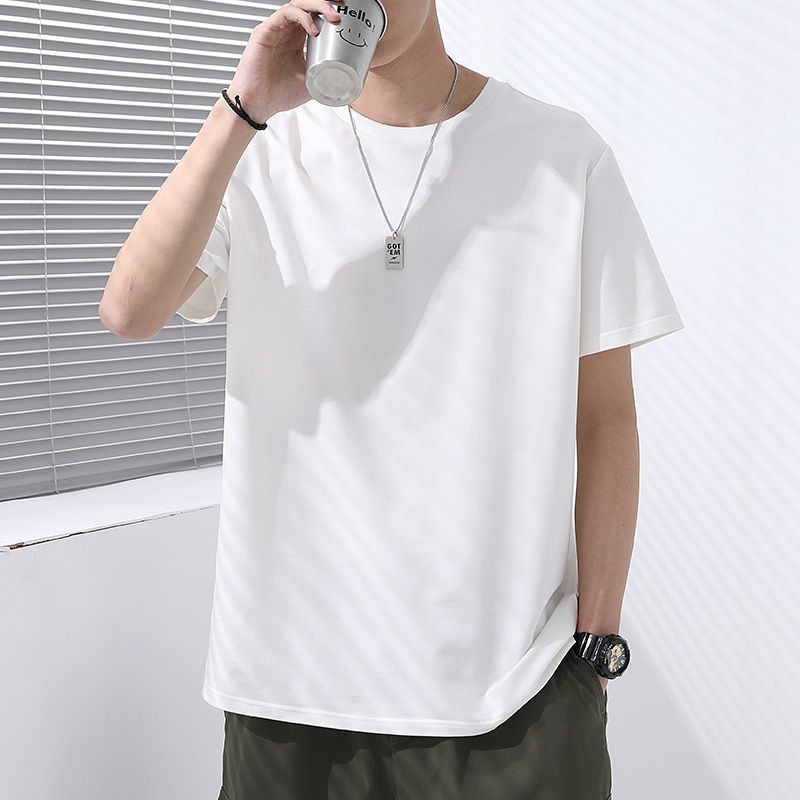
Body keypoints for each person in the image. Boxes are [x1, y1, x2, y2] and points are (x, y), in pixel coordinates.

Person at [100, 0, 684, 797]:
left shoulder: (561, 155)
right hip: (287, 694)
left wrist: (596, 648)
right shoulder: (262, 149)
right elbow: (130, 310)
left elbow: (606, 418)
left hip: (513, 697)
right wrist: (244, 108)